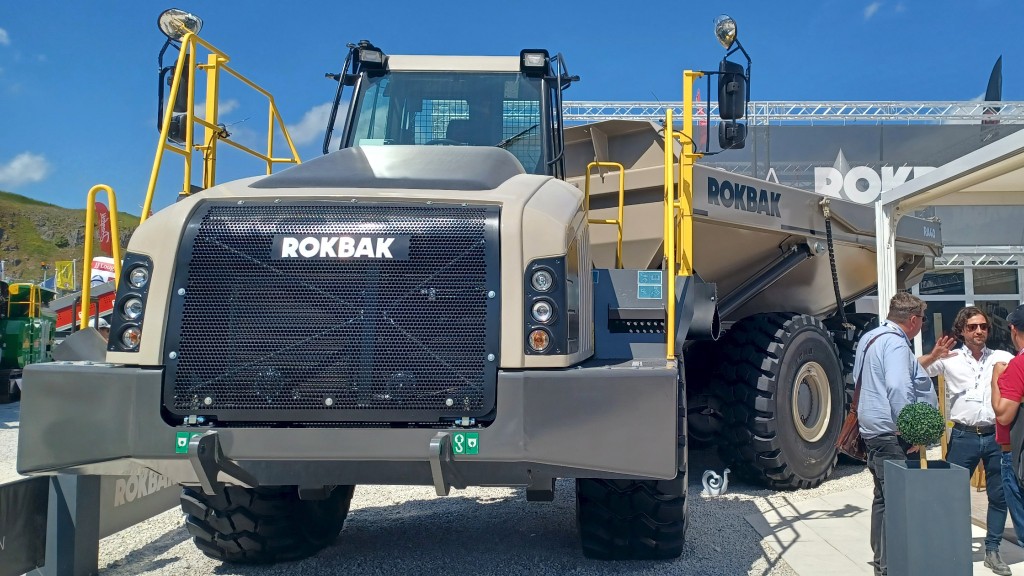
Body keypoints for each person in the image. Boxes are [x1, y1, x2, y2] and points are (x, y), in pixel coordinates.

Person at [919, 306, 1013, 575]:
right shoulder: (949, 358)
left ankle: (993, 551)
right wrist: (934, 355)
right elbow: (913, 370)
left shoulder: (1002, 357)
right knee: (951, 496)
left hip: (996, 436)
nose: (979, 331)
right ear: (961, 330)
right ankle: (950, 547)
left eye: (983, 326)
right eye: (972, 327)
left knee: (999, 496)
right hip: (963, 436)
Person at [855, 291, 938, 576]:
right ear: (914, 320)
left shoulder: (870, 338)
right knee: (897, 504)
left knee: (883, 500)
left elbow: (859, 380)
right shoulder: (896, 344)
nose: (922, 325)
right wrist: (912, 430)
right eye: (923, 321)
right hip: (893, 436)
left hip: (875, 434)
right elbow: (898, 387)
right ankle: (891, 569)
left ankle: (882, 564)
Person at [991, 305, 1024, 563]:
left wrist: (995, 380)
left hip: (1015, 454)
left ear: (1013, 330)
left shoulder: (1017, 365)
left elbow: (1003, 414)